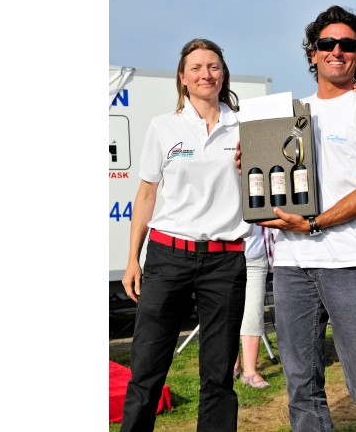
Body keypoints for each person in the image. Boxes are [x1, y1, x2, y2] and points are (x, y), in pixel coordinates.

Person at [238, 5, 356, 432]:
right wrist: (246, 162)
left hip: (350, 262)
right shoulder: (288, 114)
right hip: (293, 265)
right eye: (326, 44)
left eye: (347, 45)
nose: (336, 50)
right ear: (312, 53)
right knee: (301, 387)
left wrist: (314, 224)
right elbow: (270, 179)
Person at [119, 38, 251, 432]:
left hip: (225, 261)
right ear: (183, 78)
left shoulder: (246, 125)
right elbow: (145, 195)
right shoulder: (164, 126)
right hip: (167, 256)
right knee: (146, 368)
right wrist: (132, 260)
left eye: (213, 66)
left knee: (218, 376)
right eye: (196, 67)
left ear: (223, 74)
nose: (205, 74)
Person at [232, 225, 270, 388]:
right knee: (228, 312)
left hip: (256, 255)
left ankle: (250, 372)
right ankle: (233, 366)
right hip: (223, 256)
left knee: (254, 314)